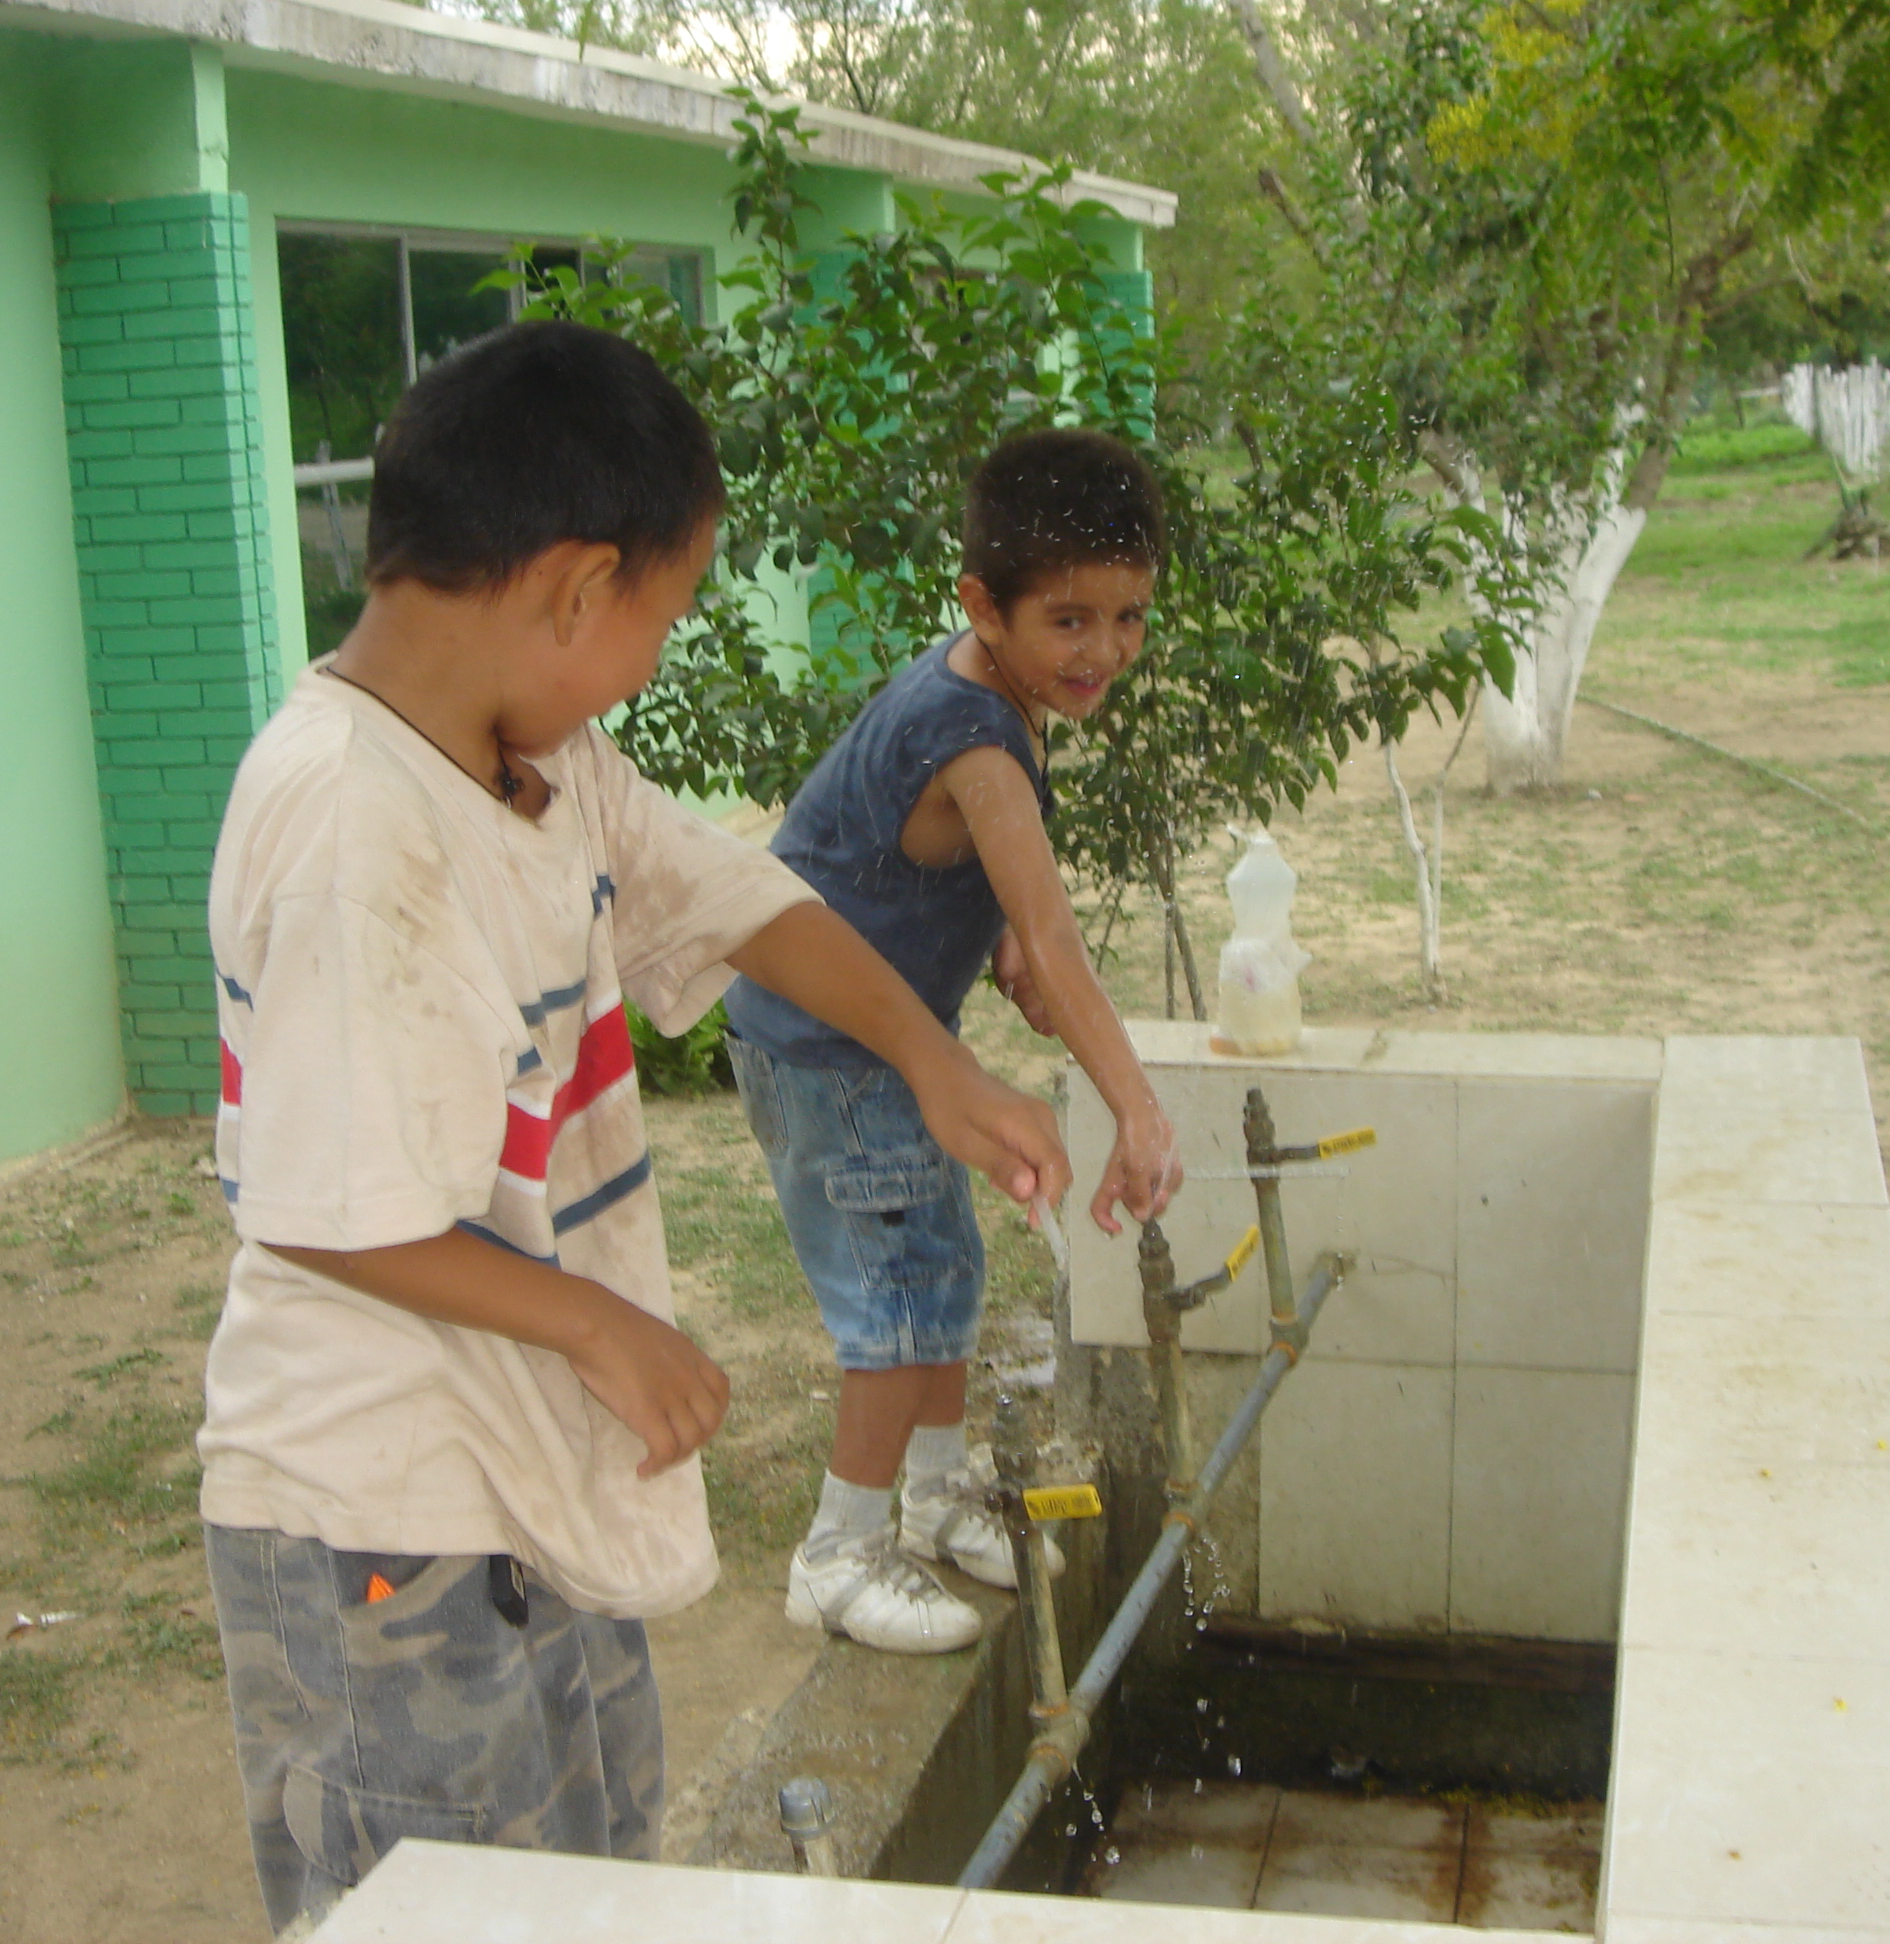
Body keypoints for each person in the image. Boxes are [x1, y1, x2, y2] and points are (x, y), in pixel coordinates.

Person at [198, 320, 1070, 1938]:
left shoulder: (542, 761)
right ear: (575, 587)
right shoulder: (347, 813)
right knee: (441, 1901)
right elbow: (320, 1205)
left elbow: (737, 894)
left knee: (586, 1872)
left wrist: (931, 1063)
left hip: (527, 1472)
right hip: (374, 1502)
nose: (652, 659)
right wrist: (594, 1318)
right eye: (662, 617)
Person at [723, 426, 1185, 1657]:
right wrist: (1135, 1107)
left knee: (944, 1273)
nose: (1105, 652)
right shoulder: (975, 736)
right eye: (1071, 621)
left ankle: (929, 1500)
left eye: (1130, 616)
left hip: (870, 1033)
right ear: (983, 603)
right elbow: (1055, 929)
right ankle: (839, 1551)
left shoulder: (995, 695)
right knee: (895, 1298)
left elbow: (921, 865)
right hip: (830, 1047)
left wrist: (992, 943)